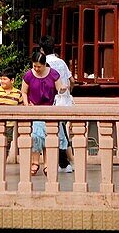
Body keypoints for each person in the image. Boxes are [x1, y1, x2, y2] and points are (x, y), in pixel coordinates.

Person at [22, 50, 62, 176]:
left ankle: (47, 164)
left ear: (45, 65)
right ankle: (35, 162)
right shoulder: (28, 75)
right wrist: (26, 104)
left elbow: (59, 90)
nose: (37, 68)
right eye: (34, 66)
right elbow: (23, 91)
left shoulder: (54, 74)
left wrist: (63, 90)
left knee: (48, 137)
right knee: (36, 136)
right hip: (34, 109)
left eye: (39, 66)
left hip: (50, 109)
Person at [39, 36, 74, 173]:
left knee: (55, 133)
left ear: (42, 50)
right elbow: (72, 80)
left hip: (51, 102)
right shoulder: (61, 62)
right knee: (60, 132)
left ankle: (63, 163)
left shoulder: (44, 63)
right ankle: (63, 162)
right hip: (64, 102)